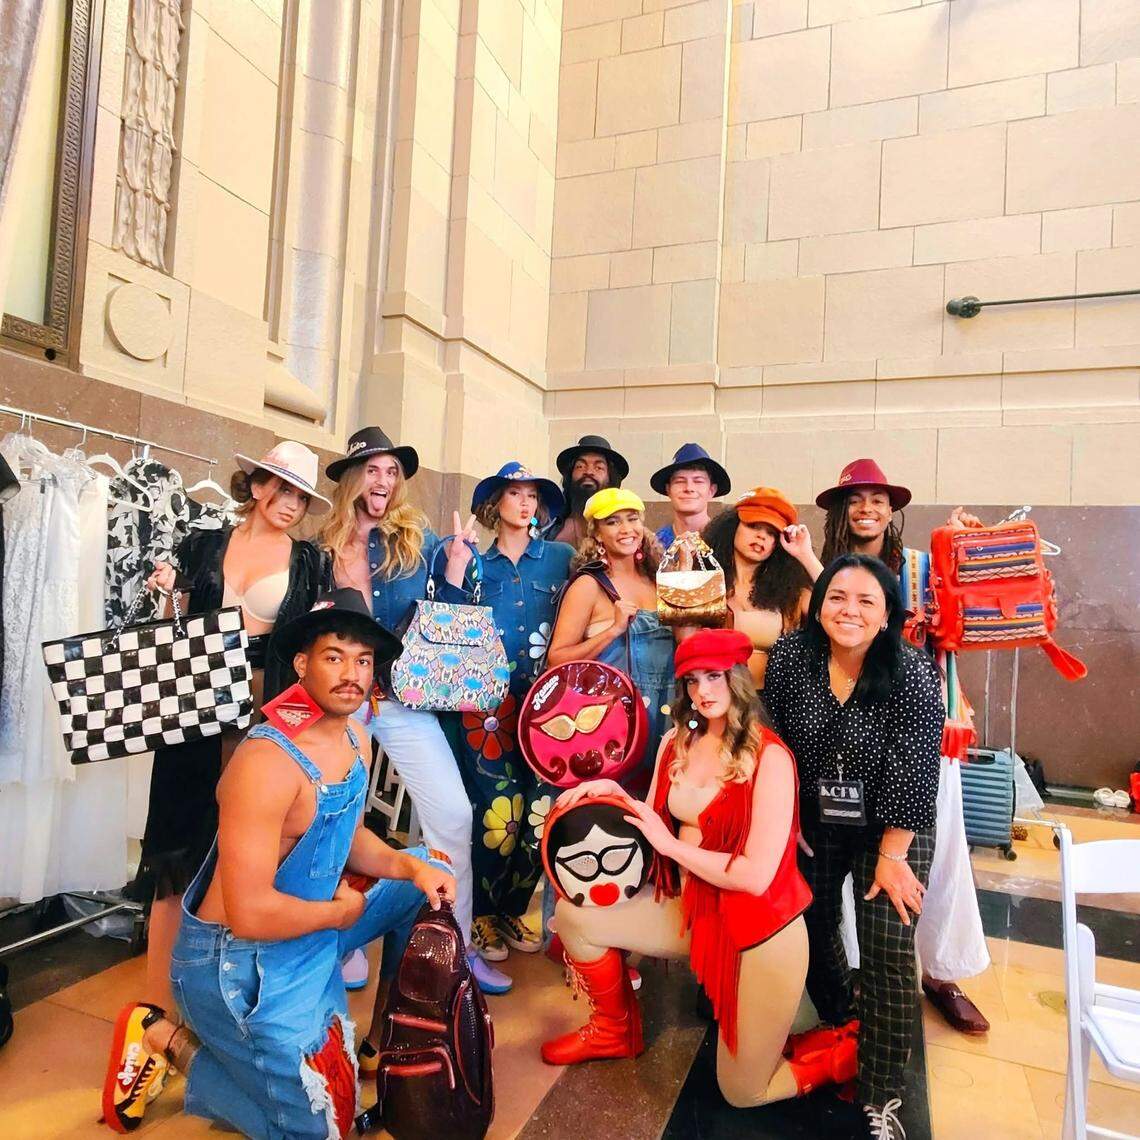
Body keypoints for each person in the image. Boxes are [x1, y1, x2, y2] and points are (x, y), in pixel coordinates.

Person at [101, 589, 456, 1138]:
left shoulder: (356, 737)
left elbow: (346, 835)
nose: (352, 675)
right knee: (321, 1132)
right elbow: (250, 915)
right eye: (335, 657)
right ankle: (168, 1038)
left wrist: (411, 870)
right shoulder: (265, 762)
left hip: (310, 927)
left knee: (428, 871)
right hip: (240, 962)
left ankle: (384, 1043)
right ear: (301, 664)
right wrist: (341, 915)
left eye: (363, 661)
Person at [540, 630, 857, 1108]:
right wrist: (611, 792)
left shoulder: (770, 757)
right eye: (692, 680)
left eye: (714, 677)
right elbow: (652, 818)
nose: (702, 691)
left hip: (758, 934)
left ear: (739, 679)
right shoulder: (677, 741)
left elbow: (754, 875)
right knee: (575, 917)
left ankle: (844, 1054)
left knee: (743, 1092)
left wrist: (670, 845)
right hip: (693, 913)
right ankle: (613, 1031)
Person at [129, 442, 329, 1019]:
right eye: (282, 488)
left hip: (264, 709)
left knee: (243, 845)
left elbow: (307, 649)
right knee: (176, 844)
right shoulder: (203, 544)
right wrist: (165, 592)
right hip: (193, 701)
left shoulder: (308, 560)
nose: (290, 504)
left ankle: (218, 1001)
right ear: (258, 485)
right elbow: (171, 627)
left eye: (300, 496)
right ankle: (154, 1007)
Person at [318, 426, 510, 996]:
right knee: (332, 817)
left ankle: (456, 947)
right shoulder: (322, 548)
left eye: (391, 472)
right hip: (338, 703)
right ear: (353, 479)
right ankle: (340, 939)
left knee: (452, 814)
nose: (383, 480)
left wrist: (453, 569)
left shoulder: (416, 542)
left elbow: (442, 623)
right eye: (372, 470)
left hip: (401, 698)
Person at [764, 555, 944, 1139]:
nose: (850, 611)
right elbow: (775, 743)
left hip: (893, 826)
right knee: (808, 918)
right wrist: (787, 816)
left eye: (867, 601)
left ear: (887, 614)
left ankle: (883, 1091)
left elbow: (916, 771)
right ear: (818, 604)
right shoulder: (791, 657)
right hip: (816, 817)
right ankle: (844, 1019)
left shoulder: (913, 672)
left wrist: (892, 858)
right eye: (837, 597)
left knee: (887, 944)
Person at [813, 458, 991, 1037]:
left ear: (892, 510)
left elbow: (965, 617)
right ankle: (861, 970)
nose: (867, 508)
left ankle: (942, 972)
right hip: (847, 736)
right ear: (841, 510)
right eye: (855, 499)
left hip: (920, 733)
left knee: (937, 851)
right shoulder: (822, 570)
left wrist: (964, 549)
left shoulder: (923, 565)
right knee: (840, 857)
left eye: (878, 499)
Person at [444, 461, 574, 967]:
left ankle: (515, 909)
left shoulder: (561, 558)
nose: (525, 503)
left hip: (547, 705)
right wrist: (456, 564)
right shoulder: (474, 559)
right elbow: (450, 618)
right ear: (495, 503)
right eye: (514, 493)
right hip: (487, 710)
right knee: (501, 813)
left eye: (532, 495)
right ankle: (481, 912)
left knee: (540, 816)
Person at [546, 488, 675, 791]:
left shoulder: (658, 581)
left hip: (667, 712)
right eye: (613, 522)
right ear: (597, 533)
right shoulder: (588, 585)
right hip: (612, 719)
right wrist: (613, 630)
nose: (626, 529)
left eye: (632, 519)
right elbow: (557, 659)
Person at [702, 486, 813, 692]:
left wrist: (806, 555)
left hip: (774, 700)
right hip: (717, 697)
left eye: (771, 533)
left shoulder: (790, 591)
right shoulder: (703, 580)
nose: (761, 536)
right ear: (733, 527)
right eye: (753, 526)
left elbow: (834, 605)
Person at [546, 434, 629, 547]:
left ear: (610, 478)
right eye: (580, 466)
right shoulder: (549, 524)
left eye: (598, 467)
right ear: (570, 475)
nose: (589, 472)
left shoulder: (626, 530)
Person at [649, 442, 730, 548]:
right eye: (680, 481)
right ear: (668, 490)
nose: (689, 488)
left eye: (698, 481)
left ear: (711, 490)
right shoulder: (654, 546)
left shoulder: (726, 542)